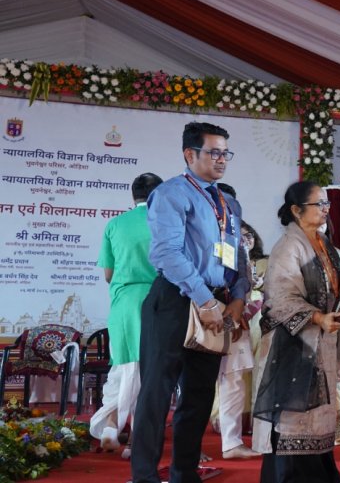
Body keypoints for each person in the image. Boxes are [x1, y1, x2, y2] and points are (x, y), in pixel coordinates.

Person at [132, 121, 250, 483]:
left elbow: (238, 254)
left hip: (217, 304)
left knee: (199, 396)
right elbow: (167, 252)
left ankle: (185, 474)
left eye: (225, 152)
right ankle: (145, 477)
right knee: (157, 392)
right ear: (190, 154)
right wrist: (204, 300)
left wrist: (238, 297)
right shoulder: (171, 194)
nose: (222, 159)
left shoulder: (228, 202)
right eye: (214, 152)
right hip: (174, 301)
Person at [253, 181, 340, 483]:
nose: (326, 209)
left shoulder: (322, 241)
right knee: (293, 418)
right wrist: (318, 317)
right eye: (319, 204)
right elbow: (280, 299)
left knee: (318, 419)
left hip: (322, 342)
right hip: (292, 345)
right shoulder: (289, 246)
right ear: (296, 210)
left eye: (327, 203)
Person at [90, 172, 163, 459]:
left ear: (133, 196)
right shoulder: (166, 223)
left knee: (122, 368)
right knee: (150, 373)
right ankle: (135, 440)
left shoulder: (115, 224)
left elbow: (109, 274)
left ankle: (110, 427)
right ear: (159, 196)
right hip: (157, 301)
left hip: (123, 304)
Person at [209, 184, 259, 460]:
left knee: (234, 378)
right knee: (197, 381)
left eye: (230, 207)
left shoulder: (237, 237)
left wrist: (239, 305)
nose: (226, 212)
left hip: (233, 314)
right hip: (202, 313)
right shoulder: (196, 231)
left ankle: (232, 442)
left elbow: (243, 275)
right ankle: (188, 449)